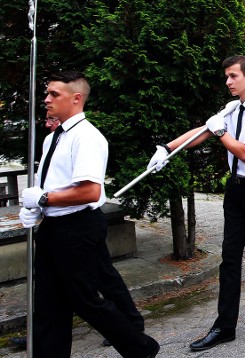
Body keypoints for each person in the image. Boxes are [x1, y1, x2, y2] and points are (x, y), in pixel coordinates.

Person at [148, 56, 245, 351]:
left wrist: (221, 131)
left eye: (233, 76)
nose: (228, 82)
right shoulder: (232, 108)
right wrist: (167, 148)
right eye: (226, 77)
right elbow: (203, 131)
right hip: (236, 191)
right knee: (230, 258)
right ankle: (224, 327)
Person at [18, 71, 159, 358]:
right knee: (48, 304)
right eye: (47, 93)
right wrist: (35, 206)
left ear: (76, 98)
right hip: (54, 226)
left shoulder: (88, 137)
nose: (46, 99)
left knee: (86, 301)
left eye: (54, 94)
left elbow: (90, 191)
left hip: (77, 226)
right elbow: (51, 181)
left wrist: (45, 198)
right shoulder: (53, 138)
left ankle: (141, 348)